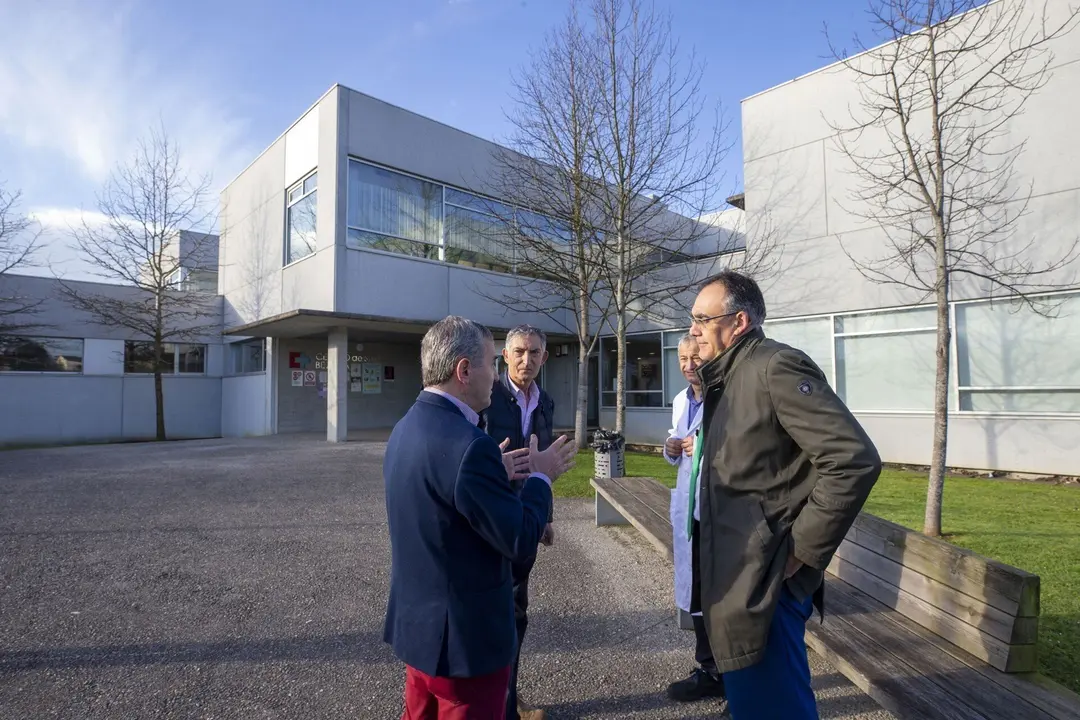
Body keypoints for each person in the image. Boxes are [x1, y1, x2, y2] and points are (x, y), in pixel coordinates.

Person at [688, 270, 882, 720]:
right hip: (736, 575)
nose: (693, 328)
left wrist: (800, 552)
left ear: (739, 323)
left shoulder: (774, 367)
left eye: (703, 317)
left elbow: (853, 460)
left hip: (767, 580)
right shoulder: (725, 378)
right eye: (692, 318)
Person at [383, 315, 577, 720]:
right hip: (463, 648)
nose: (497, 373)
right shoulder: (471, 446)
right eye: (493, 362)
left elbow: (443, 503)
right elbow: (520, 541)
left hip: (420, 634)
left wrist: (496, 471)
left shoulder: (406, 426)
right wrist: (541, 475)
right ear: (464, 370)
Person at [479, 325, 558, 720]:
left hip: (526, 520)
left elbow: (545, 463)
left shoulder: (546, 403)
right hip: (493, 522)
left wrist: (545, 515)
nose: (527, 360)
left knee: (517, 614)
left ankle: (508, 694)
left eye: (535, 353)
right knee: (496, 615)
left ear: (544, 357)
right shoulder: (485, 399)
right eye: (519, 352)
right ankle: (501, 704)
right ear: (505, 356)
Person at [662, 335, 725, 704]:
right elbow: (679, 443)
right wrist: (671, 447)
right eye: (682, 358)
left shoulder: (724, 398)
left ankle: (731, 676)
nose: (688, 365)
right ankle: (709, 668)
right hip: (691, 511)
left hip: (719, 511)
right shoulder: (682, 400)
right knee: (697, 590)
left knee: (720, 594)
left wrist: (701, 443)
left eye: (694, 357)